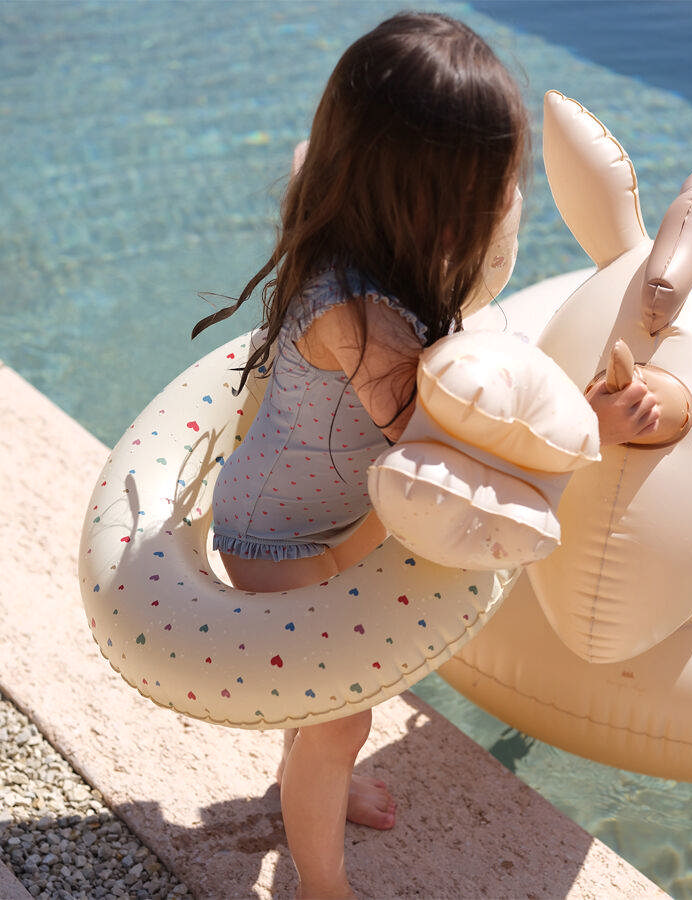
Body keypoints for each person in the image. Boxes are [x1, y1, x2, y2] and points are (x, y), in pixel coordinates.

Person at [192, 12, 659, 898]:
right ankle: (321, 882)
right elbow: (450, 450)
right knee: (342, 717)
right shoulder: (359, 317)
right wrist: (588, 425)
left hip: (337, 514)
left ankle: (313, 782)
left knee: (328, 708)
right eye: (484, 191)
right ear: (419, 196)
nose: (499, 208)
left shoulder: (377, 261)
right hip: (276, 536)